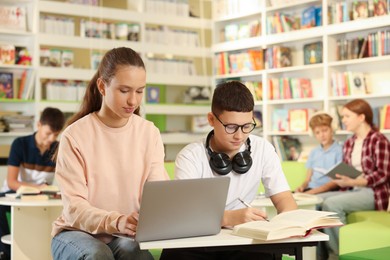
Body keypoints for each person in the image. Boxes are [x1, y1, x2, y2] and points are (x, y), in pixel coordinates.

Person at [50, 47, 169, 260]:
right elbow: (74, 209)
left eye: (140, 91)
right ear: (102, 86)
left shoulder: (149, 133)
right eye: (124, 91)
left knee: (134, 252)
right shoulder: (75, 135)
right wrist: (117, 220)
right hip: (75, 232)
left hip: (123, 234)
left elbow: (159, 194)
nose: (133, 101)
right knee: (98, 254)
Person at [160, 81, 298, 260]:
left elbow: (284, 199)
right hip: (197, 242)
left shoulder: (263, 149)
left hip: (242, 241)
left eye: (247, 126)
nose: (239, 135)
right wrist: (229, 218)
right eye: (230, 127)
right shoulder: (190, 156)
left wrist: (287, 223)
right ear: (211, 119)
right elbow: (186, 216)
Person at [317, 99, 390, 259]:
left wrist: (354, 182)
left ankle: (339, 254)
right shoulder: (350, 142)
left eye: (347, 116)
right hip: (352, 189)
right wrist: (343, 178)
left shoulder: (379, 140)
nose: (343, 120)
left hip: (373, 192)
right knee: (316, 200)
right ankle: (320, 255)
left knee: (331, 204)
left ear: (361, 117)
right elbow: (349, 171)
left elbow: (383, 174)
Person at [0, 107, 65, 260]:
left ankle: (47, 252)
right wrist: (39, 188)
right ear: (39, 125)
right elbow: (11, 182)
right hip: (14, 193)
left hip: (43, 196)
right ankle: (6, 253)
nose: (51, 139)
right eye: (48, 133)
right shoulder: (20, 144)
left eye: (55, 135)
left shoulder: (58, 148)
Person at [295, 112, 342, 194]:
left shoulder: (340, 150)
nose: (322, 135)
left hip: (328, 190)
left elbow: (336, 181)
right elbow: (307, 179)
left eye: (325, 130)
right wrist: (302, 187)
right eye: (317, 132)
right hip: (311, 189)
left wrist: (312, 192)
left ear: (332, 129)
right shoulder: (314, 152)